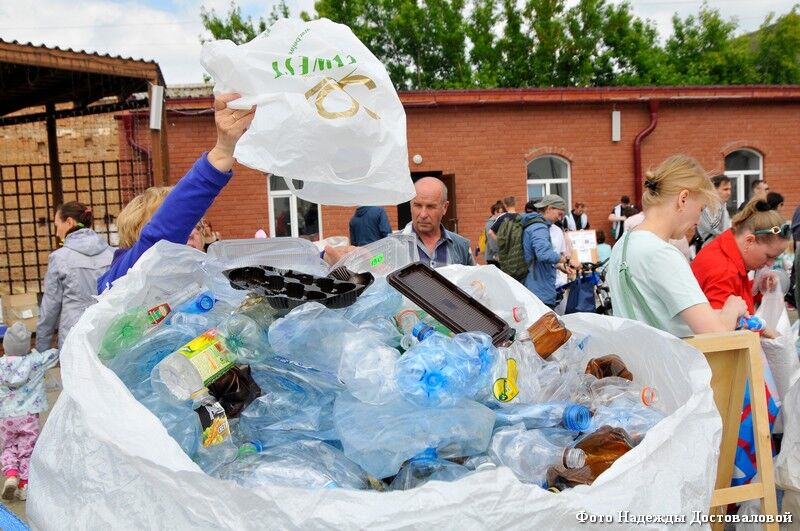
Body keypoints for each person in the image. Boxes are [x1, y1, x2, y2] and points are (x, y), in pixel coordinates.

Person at [97, 93, 255, 293]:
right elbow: (160, 236)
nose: (190, 232)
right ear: (136, 232)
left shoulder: (213, 284)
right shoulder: (119, 281)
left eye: (195, 224)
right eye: (181, 224)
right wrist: (222, 152)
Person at [607, 155, 748, 338]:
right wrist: (732, 308)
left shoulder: (623, 244)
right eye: (701, 209)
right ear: (683, 199)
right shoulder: (661, 254)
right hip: (668, 356)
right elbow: (715, 333)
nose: (698, 220)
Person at [35, 201, 114, 352]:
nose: (57, 233)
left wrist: (41, 350)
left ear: (69, 222)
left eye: (57, 225)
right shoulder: (112, 253)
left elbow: (50, 309)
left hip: (74, 339)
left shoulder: (59, 258)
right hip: (108, 335)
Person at [1, 323, 59, 501]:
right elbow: (55, 354)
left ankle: (11, 474)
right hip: (29, 417)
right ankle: (24, 486)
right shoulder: (36, 361)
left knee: (8, 446)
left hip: (5, 417)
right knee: (27, 450)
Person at [400, 177, 474, 267]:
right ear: (410, 205)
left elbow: (472, 276)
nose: (423, 215)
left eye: (430, 207)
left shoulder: (461, 246)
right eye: (418, 205)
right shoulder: (393, 246)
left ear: (445, 207)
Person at [520, 194, 576, 308]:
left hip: (535, 286)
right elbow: (543, 254)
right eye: (559, 214)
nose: (560, 218)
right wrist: (566, 260)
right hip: (538, 290)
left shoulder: (535, 225)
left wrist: (559, 266)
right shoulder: (539, 227)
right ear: (549, 208)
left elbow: (537, 258)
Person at [697, 174, 732, 246]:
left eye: (729, 189)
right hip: (708, 248)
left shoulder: (723, 206)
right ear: (714, 189)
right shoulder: (705, 206)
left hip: (720, 247)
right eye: (725, 189)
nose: (729, 193)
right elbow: (714, 228)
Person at [483, 200, 505, 266]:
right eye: (500, 212)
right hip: (493, 257)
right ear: (495, 212)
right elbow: (492, 241)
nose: (502, 214)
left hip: (497, 256)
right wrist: (497, 253)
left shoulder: (498, 221)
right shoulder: (490, 223)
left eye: (503, 212)